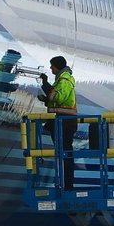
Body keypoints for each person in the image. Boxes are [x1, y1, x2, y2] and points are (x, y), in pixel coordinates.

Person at [41, 56, 77, 190]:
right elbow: (56, 100)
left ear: (57, 66)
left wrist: (45, 84)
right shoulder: (62, 80)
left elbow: (58, 98)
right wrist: (46, 99)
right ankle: (65, 184)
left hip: (65, 122)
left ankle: (67, 186)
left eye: (52, 66)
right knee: (63, 154)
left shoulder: (64, 80)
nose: (50, 68)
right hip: (61, 121)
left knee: (65, 154)